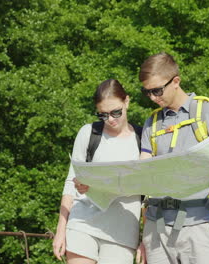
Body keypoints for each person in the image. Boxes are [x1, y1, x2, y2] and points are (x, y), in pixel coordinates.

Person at [138, 52, 209, 264]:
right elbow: (141, 172)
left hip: (199, 226)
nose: (153, 98)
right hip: (157, 228)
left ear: (176, 81)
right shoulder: (151, 123)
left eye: (157, 90)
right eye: (147, 92)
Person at [52, 79, 142, 264]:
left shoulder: (142, 139)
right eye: (103, 115)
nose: (110, 120)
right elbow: (71, 182)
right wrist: (61, 230)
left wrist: (146, 239)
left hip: (122, 232)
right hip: (83, 223)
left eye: (116, 112)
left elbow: (151, 193)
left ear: (127, 101)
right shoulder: (89, 133)